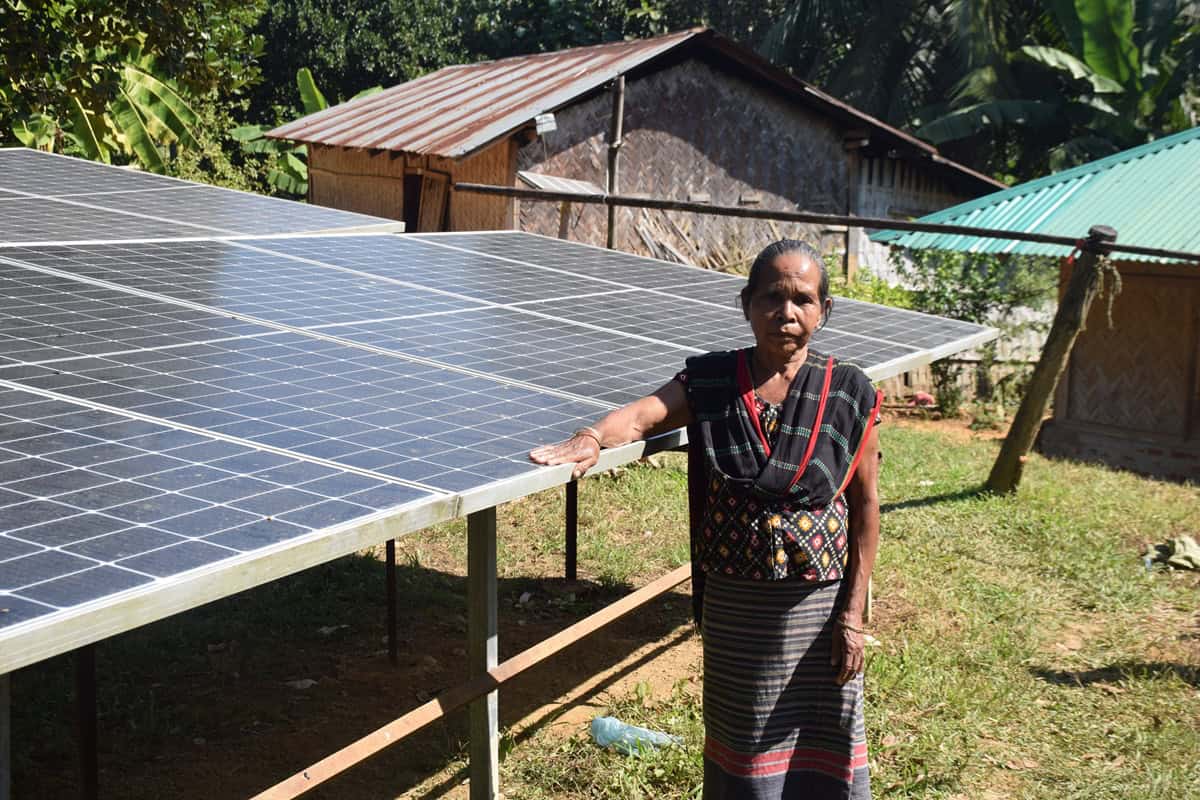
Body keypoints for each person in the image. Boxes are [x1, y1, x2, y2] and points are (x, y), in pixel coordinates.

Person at [530, 239, 882, 799]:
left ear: (823, 310)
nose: (786, 313)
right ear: (747, 304)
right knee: (743, 743)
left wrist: (854, 615)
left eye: (803, 300)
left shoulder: (849, 391)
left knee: (823, 736)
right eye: (772, 297)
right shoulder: (715, 382)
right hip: (736, 606)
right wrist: (592, 436)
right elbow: (645, 415)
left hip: (820, 607)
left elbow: (865, 507)